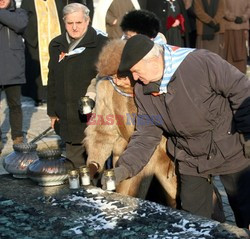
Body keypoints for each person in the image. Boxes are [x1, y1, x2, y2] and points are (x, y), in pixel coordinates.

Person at [102, 34, 250, 229]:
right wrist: (125, 167)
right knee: (192, 222)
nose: (135, 78)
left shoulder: (202, 62)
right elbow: (146, 134)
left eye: (136, 71)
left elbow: (242, 93)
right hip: (190, 156)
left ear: (153, 60)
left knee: (245, 213)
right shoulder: (142, 90)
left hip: (230, 148)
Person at [47, 3, 107, 168]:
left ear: (87, 21)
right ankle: (78, 192)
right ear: (64, 22)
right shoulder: (56, 45)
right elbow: (52, 78)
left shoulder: (102, 43)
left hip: (94, 115)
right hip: (68, 115)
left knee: (96, 164)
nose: (74, 28)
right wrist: (52, 112)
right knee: (74, 163)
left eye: (78, 23)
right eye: (69, 23)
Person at [20, 0, 93, 107]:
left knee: (56, 66)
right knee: (37, 68)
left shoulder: (57, 1)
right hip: (36, 42)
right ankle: (38, 96)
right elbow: (24, 19)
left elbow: (62, 16)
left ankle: (55, 92)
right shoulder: (29, 1)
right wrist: (32, 36)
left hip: (55, 40)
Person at [0, 0, 28, 153]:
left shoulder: (20, 13)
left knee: (15, 104)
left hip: (13, 67)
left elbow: (20, 24)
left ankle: (18, 137)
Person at [224, 0, 250, 74]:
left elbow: (224, 9)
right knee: (235, 51)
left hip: (235, 26)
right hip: (232, 27)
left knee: (238, 51)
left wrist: (235, 18)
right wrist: (242, 18)